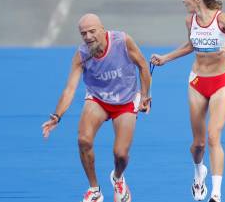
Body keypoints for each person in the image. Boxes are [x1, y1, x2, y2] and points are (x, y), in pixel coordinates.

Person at [151, 0, 225, 202]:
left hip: (221, 82)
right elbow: (190, 46)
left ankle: (216, 194)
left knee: (214, 135)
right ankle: (199, 172)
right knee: (198, 144)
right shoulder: (190, 21)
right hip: (197, 82)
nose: (183, 0)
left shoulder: (222, 19)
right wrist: (165, 58)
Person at [41, 13, 151, 202]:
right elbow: (70, 89)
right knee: (83, 140)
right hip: (98, 99)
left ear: (102, 30)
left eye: (92, 31)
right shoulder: (82, 55)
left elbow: (142, 65)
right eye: (84, 33)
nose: (88, 37)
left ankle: (118, 178)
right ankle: (94, 189)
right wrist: (56, 116)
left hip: (126, 101)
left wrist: (145, 96)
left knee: (121, 154)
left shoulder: (122, 41)